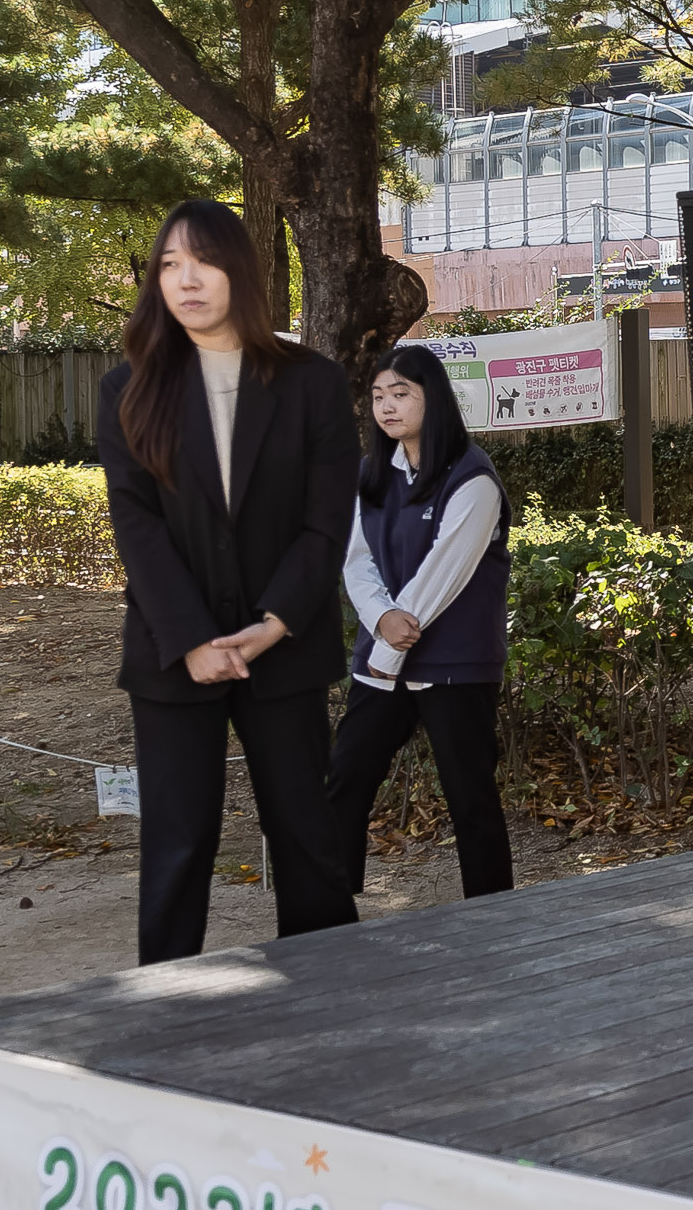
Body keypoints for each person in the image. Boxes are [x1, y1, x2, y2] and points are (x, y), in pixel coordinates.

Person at [97, 199, 360, 964]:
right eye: (169, 264)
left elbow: (326, 523)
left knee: (307, 837)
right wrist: (190, 641)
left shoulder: (312, 382)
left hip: (285, 648)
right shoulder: (127, 389)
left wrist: (274, 621)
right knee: (178, 845)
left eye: (203, 261)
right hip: (172, 655)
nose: (185, 280)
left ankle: (332, 992)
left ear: (239, 271)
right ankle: (168, 1012)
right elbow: (137, 529)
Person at [325, 344, 514, 902]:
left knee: (470, 797)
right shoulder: (372, 474)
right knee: (347, 780)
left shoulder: (472, 477)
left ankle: (493, 915)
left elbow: (443, 574)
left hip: (453, 664)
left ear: (435, 399)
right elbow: (355, 559)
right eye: (379, 395)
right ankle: (327, 910)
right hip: (383, 659)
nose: (387, 407)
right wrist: (381, 618)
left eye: (401, 394)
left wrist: (390, 637)